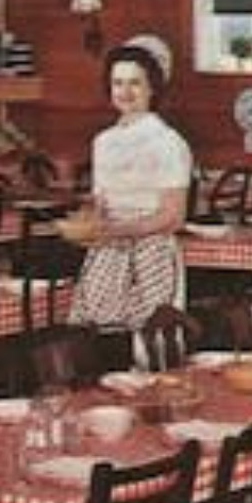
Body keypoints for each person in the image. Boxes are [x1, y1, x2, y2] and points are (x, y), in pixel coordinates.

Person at [68, 34, 194, 329]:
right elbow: (101, 204)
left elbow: (173, 217)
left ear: (153, 88)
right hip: (107, 252)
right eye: (118, 83)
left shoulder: (168, 142)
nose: (125, 92)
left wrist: (119, 229)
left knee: (146, 338)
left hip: (152, 253)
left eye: (135, 83)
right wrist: (89, 222)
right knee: (95, 334)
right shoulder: (104, 142)